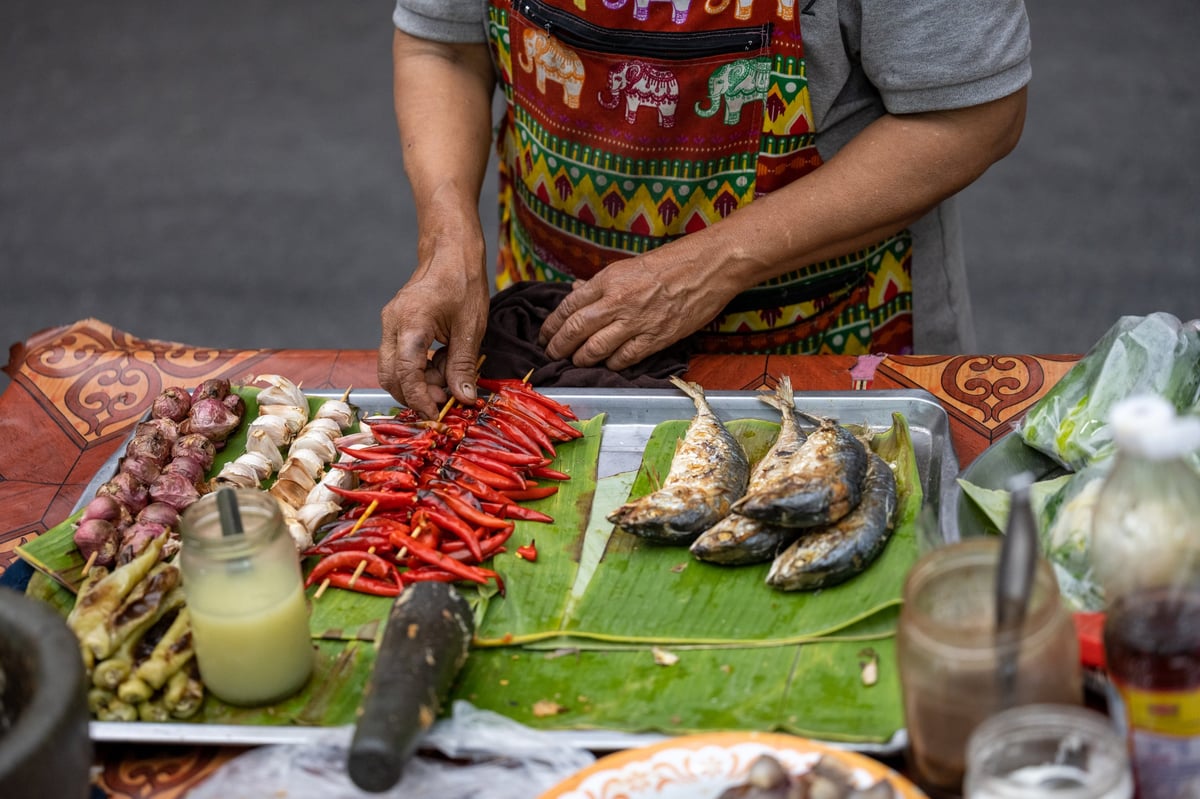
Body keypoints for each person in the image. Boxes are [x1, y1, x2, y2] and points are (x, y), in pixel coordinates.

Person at [379, 0, 1031, 418]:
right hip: (560, 335)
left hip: (827, 345)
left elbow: (971, 116)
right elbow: (444, 44)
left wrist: (712, 263)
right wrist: (446, 235)